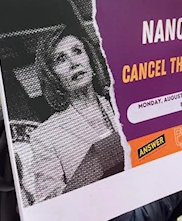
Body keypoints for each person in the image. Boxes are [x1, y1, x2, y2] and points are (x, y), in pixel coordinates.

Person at [31, 24, 127, 202]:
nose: (74, 63)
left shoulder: (123, 105)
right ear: (52, 75)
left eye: (77, 51)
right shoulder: (44, 136)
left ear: (89, 58)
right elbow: (48, 201)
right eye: (60, 59)